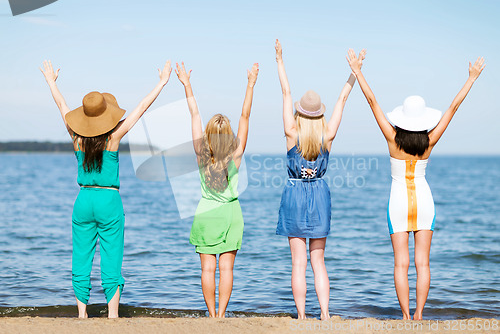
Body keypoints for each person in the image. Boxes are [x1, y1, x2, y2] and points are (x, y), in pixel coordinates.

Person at [346, 49, 485, 320]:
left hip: (397, 201)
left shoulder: (391, 138)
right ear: (423, 120)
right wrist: (471, 79)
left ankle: (406, 317)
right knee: (423, 263)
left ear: (402, 118)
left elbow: (372, 102)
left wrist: (358, 70)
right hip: (424, 200)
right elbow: (453, 109)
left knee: (401, 263)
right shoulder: (430, 141)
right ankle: (420, 315)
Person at [40, 59, 172, 318]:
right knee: (111, 256)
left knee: (81, 258)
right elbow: (141, 108)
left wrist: (51, 82)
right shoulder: (113, 138)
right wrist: (162, 82)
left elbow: (62, 106)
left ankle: (81, 314)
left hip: (83, 200)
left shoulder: (76, 138)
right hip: (109, 201)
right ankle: (112, 315)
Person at [275, 39, 364, 320]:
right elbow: (342, 100)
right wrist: (354, 72)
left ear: (300, 113)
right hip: (319, 196)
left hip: (294, 194)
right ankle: (325, 314)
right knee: (319, 262)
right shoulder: (327, 136)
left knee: (298, 263)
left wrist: (279, 59)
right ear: (319, 114)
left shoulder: (291, 132)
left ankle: (302, 316)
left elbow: (286, 91)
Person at [175, 61, 259, 318]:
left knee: (207, 270)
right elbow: (245, 116)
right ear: (230, 135)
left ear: (208, 135)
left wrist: (187, 85)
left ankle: (211, 314)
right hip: (230, 214)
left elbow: (194, 115)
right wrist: (251, 84)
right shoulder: (236, 154)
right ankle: (222, 315)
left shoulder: (201, 153)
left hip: (206, 214)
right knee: (227, 269)